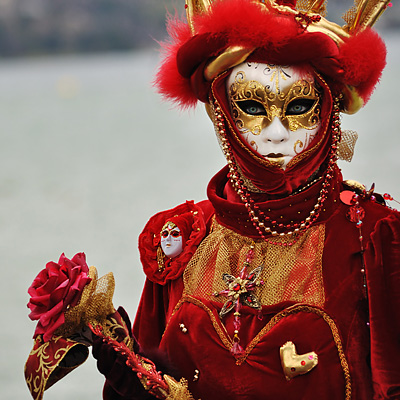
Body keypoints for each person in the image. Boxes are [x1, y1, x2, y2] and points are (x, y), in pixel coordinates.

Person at [25, 0, 400, 399]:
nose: (276, 133)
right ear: (219, 110)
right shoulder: (181, 240)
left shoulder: (373, 236)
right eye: (252, 107)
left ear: (329, 111)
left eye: (300, 106)